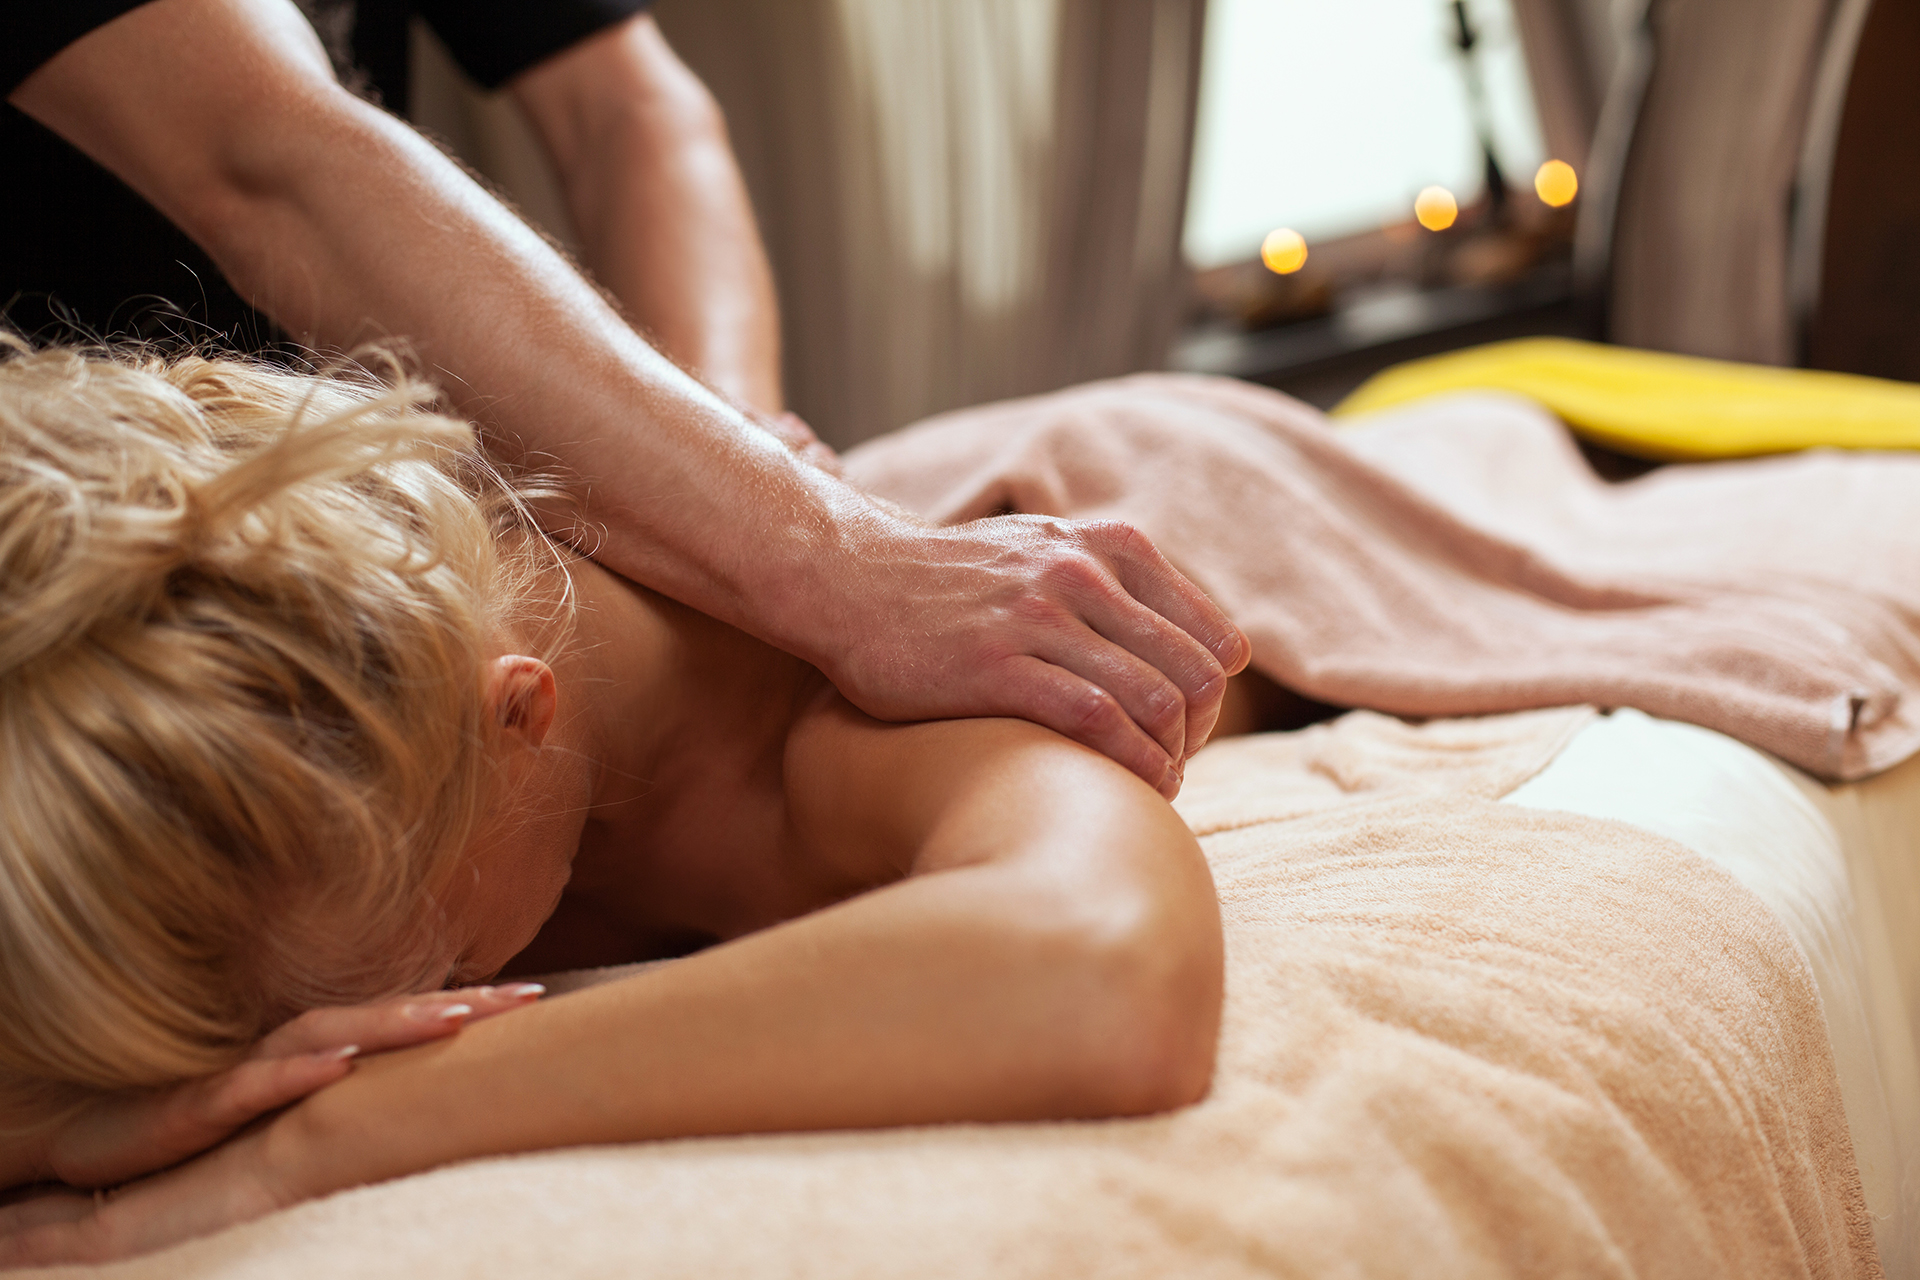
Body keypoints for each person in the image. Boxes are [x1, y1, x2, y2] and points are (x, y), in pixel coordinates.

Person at [0, 342, 1227, 1266]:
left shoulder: (848, 716)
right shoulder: (389, 797)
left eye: (434, 967)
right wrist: (79, 1132)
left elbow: (1101, 975)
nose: (351, 1043)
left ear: (514, 719)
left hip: (1176, 458)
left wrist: (324, 1137)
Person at [4, 0, 1249, 799]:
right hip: (78, 609)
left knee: (1127, 451)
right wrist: (833, 561)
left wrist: (742, 449)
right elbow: (266, 156)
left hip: (328, 545)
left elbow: (630, 108)